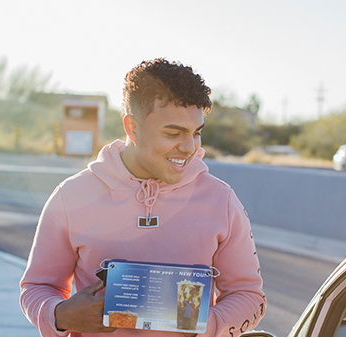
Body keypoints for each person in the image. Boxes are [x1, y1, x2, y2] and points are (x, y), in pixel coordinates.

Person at [19, 58, 266, 337]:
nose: (189, 147)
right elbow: (37, 287)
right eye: (173, 133)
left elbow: (249, 297)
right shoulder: (71, 196)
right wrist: (60, 315)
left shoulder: (221, 200)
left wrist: (203, 327)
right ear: (131, 127)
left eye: (196, 133)